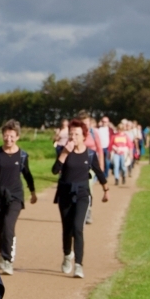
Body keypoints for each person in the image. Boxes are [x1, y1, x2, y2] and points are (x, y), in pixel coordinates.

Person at [53, 119, 109, 279]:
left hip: (83, 194)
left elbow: (99, 172)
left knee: (78, 228)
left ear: (84, 136)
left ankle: (79, 265)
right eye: (71, 134)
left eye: (76, 134)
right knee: (67, 229)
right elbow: (55, 170)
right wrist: (64, 153)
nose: (73, 137)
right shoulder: (64, 151)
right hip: (65, 193)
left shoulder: (90, 154)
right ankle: (67, 255)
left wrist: (106, 190)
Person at [0, 120, 36, 275]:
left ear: (17, 137)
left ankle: (8, 259)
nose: (8, 139)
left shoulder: (22, 155)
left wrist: (32, 192)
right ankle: (2, 253)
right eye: (6, 135)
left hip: (15, 196)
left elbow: (27, 174)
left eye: (12, 136)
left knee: (8, 226)